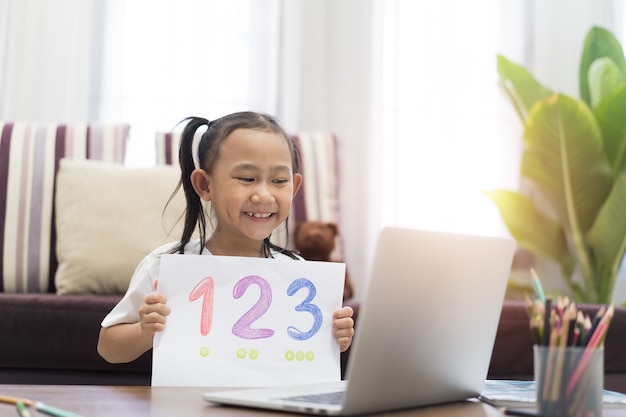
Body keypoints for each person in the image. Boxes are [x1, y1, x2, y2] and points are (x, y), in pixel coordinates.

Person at [97, 111, 355, 364]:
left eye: (278, 180)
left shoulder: (298, 275)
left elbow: (306, 352)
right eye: (246, 178)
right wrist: (144, 332)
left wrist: (335, 336)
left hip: (267, 406)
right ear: (205, 185)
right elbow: (107, 347)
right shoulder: (165, 265)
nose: (263, 195)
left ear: (294, 187)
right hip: (185, 406)